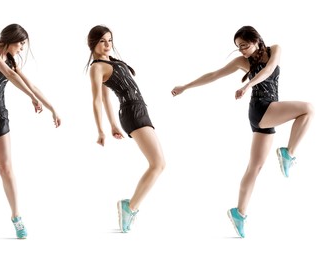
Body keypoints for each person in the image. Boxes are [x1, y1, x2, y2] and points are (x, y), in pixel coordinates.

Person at [171, 26, 313, 238]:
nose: (242, 51)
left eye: (244, 46)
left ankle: (239, 213)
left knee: (254, 168)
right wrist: (185, 86)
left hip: (269, 111)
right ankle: (288, 153)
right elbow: (214, 74)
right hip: (261, 109)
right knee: (308, 109)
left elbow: (268, 69)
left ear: (256, 40)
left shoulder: (275, 49)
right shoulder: (242, 62)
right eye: (238, 48)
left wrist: (248, 84)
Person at [0, 23, 61, 239]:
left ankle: (17, 217)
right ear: (10, 39)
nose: (21, 48)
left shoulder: (13, 61)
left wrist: (51, 107)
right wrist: (30, 98)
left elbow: (30, 84)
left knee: (6, 168)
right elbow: (7, 73)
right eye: (21, 43)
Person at [86, 25, 166, 233]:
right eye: (103, 41)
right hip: (132, 112)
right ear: (93, 43)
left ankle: (130, 207)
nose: (107, 44)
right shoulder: (96, 67)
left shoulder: (110, 62)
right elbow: (96, 100)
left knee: (158, 164)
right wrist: (101, 130)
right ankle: (129, 207)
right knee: (158, 164)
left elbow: (106, 97)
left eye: (110, 40)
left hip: (139, 110)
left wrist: (113, 124)